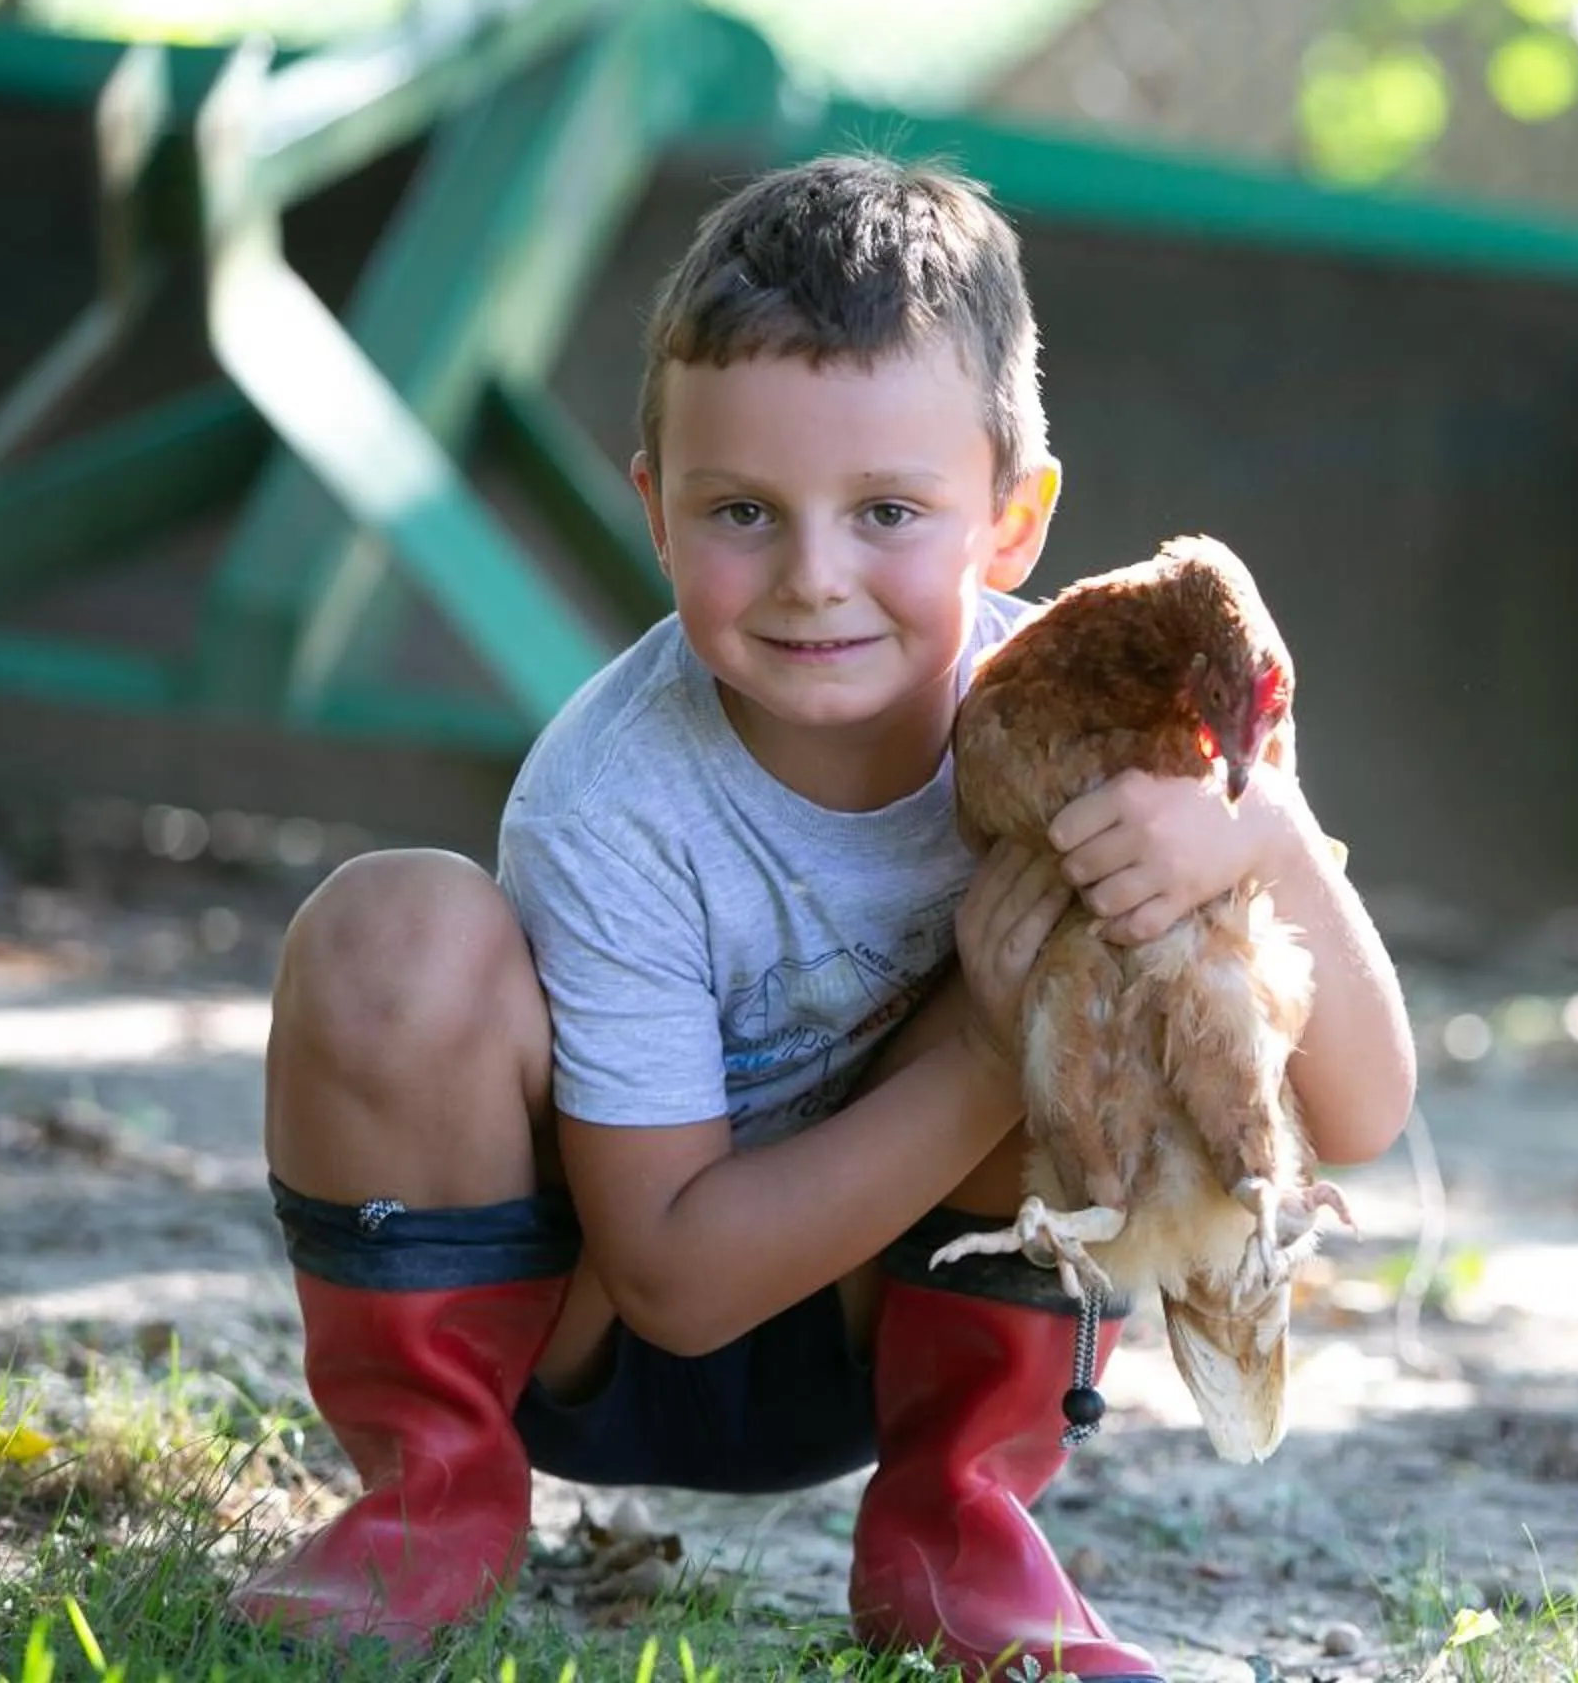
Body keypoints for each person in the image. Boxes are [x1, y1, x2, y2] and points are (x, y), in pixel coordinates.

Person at [231, 154, 1418, 1672]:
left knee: (1112, 925)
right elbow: (674, 1284)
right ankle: (433, 1502)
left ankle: (957, 1535)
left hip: (897, 1340)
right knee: (388, 928)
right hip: (589, 1326)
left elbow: (1367, 1110)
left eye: (886, 511)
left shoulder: (1102, 732)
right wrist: (997, 1054)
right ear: (654, 508)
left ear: (1011, 519)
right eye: (743, 511)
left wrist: (1267, 835)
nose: (812, 579)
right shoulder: (616, 803)